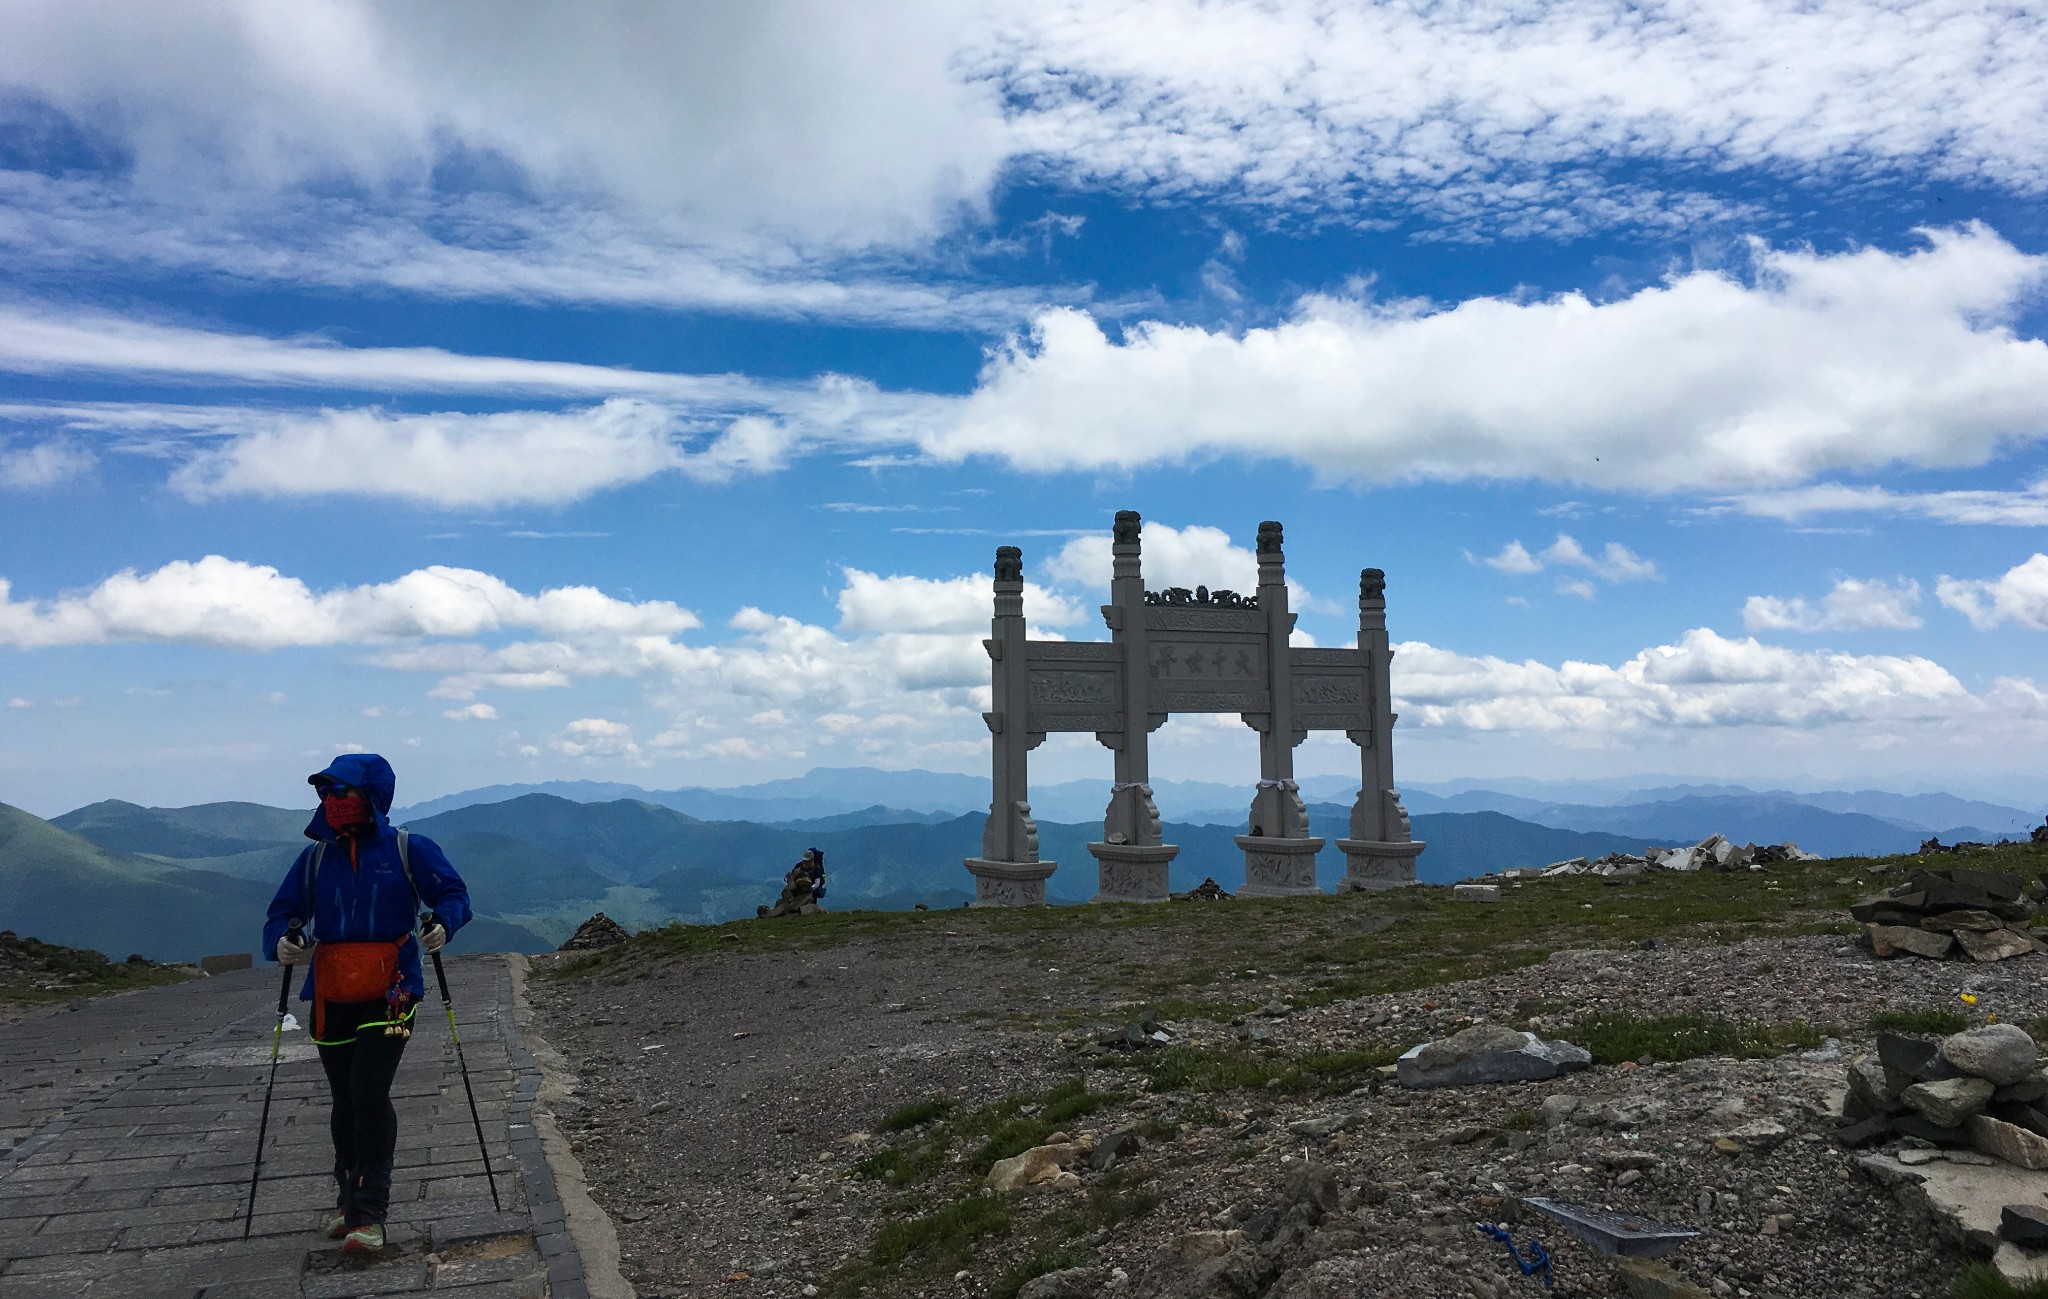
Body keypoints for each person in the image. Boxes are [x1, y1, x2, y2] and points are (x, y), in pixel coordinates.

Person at [263, 753, 471, 1255]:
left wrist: (445, 922)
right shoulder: (315, 858)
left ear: (372, 796)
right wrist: (281, 942)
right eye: (327, 793)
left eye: (344, 792)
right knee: (344, 1097)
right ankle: (348, 1199)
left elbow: (454, 894)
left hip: (393, 989)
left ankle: (368, 1213)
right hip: (330, 990)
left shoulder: (407, 848)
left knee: (367, 1092)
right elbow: (283, 912)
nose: (333, 802)